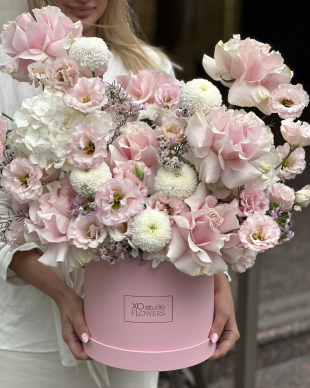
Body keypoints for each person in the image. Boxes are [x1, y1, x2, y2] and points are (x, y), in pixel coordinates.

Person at [0, 1, 240, 387]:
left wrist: (218, 283)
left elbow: (194, 192)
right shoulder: (7, 70)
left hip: (140, 327)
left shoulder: (147, 67)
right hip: (31, 339)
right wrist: (62, 295)